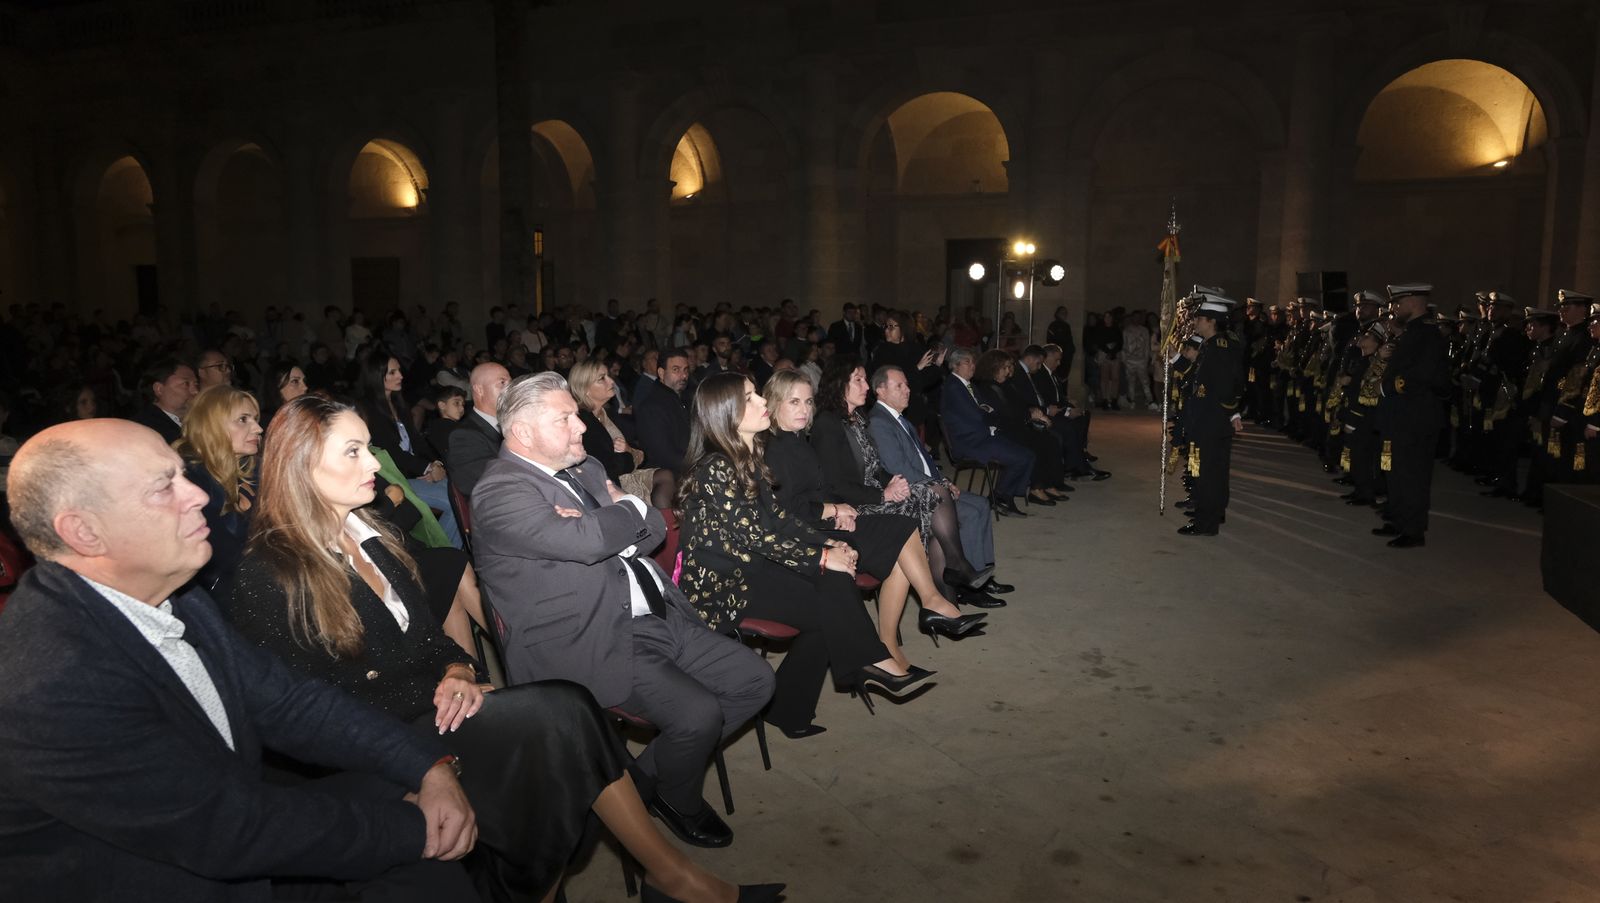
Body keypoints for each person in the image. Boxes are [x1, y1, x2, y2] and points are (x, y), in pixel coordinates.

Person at [227, 395, 778, 903]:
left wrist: (459, 667)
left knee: (568, 717)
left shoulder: (372, 536)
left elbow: (429, 640)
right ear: (300, 465)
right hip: (378, 744)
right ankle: (667, 877)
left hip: (438, 706)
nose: (374, 465)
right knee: (566, 736)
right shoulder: (270, 575)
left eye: (369, 447)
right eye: (353, 452)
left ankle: (665, 875)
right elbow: (302, 721)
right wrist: (429, 764)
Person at [0, 419, 479, 903]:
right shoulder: (50, 678)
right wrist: (413, 829)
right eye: (164, 486)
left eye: (184, 475)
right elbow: (225, 831)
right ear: (84, 531)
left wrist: (426, 766)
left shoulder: (175, 599)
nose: (197, 496)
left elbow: (292, 704)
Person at [469, 372, 774, 850]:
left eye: (577, 414)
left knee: (754, 680)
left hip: (652, 614)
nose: (581, 428)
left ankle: (643, 785)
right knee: (697, 714)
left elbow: (654, 529)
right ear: (522, 433)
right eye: (565, 418)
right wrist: (616, 514)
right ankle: (677, 795)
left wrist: (614, 512)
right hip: (586, 638)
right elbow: (592, 539)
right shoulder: (500, 491)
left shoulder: (584, 466)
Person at [679, 372, 933, 734]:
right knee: (830, 591)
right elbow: (756, 536)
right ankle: (869, 660)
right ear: (727, 413)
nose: (763, 402)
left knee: (833, 590)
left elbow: (779, 518)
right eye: (751, 398)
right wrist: (820, 557)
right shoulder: (718, 466)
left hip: (755, 569)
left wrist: (828, 545)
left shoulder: (748, 456)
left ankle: (791, 706)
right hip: (726, 586)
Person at [763, 370, 984, 671]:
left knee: (902, 537)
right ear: (774, 404)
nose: (804, 409)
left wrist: (840, 507)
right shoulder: (777, 447)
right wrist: (834, 510)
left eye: (808, 401)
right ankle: (929, 603)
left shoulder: (798, 438)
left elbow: (823, 486)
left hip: (830, 516)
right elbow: (788, 509)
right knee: (903, 529)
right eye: (794, 402)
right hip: (809, 533)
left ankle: (898, 632)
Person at [355, 349, 461, 548]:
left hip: (413, 471)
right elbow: (391, 453)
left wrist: (435, 463)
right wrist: (426, 468)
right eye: (393, 372)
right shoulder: (368, 410)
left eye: (399, 371)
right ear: (378, 377)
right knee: (454, 502)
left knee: (460, 492)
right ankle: (446, 554)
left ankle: (450, 553)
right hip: (394, 478)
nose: (401, 376)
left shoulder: (398, 403)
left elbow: (418, 441)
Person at [1372, 284, 1450, 548]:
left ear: (1414, 301)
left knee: (1412, 474)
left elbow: (1424, 375)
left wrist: (1387, 386)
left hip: (1416, 416)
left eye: (1398, 302)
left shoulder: (1427, 335)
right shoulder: (1411, 333)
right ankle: (1398, 518)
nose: (1393, 308)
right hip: (1401, 415)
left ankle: (1413, 529)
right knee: (1396, 471)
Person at [173, 385, 261, 595]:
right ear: (212, 425)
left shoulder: (256, 471)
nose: (258, 428)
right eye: (243, 420)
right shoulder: (190, 482)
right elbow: (221, 557)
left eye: (255, 419)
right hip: (223, 597)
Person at [1177, 293, 1245, 536]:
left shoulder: (1219, 349)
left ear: (1211, 321)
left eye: (1200, 319)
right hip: (1205, 418)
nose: (1195, 323)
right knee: (1210, 470)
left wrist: (1230, 414)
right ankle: (1212, 513)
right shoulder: (1210, 346)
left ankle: (1207, 523)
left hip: (1212, 421)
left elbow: (1228, 387)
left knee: (1209, 473)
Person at [939, 348, 1035, 517]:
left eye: (973, 361)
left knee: (1027, 453)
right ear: (955, 365)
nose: (973, 365)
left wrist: (986, 413)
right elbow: (977, 415)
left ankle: (1003, 495)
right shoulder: (953, 387)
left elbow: (990, 410)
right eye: (967, 362)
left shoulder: (969, 385)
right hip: (970, 442)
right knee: (1020, 457)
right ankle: (1000, 497)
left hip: (982, 435)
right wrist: (986, 413)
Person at [570, 358, 676, 508]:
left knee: (667, 475)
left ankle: (665, 525)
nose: (611, 382)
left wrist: (629, 450)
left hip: (622, 472)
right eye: (602, 379)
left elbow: (639, 452)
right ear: (585, 388)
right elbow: (607, 467)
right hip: (609, 483)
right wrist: (629, 454)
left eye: (608, 376)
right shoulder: (584, 423)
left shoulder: (605, 415)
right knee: (666, 477)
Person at [972, 350, 1067, 506]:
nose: (1009, 371)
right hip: (1002, 430)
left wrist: (1034, 412)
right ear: (993, 367)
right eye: (1005, 367)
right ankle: (1036, 488)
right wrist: (1030, 416)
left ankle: (1048, 483)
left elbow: (1021, 404)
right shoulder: (986, 387)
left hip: (1015, 425)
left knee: (1049, 439)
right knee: (1038, 441)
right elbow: (1003, 413)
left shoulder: (1006, 384)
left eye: (1010, 367)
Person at [446, 362, 510, 499]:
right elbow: (488, 483)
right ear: (479, 390)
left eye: (511, 383)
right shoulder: (464, 436)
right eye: (502, 383)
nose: (510, 389)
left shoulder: (515, 423)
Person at [634, 348, 693, 470]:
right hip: (673, 473)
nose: (684, 376)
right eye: (676, 370)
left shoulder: (686, 396)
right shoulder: (652, 407)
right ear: (661, 373)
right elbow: (665, 456)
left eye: (686, 370)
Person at [132, 357, 199, 444]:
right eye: (186, 384)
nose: (196, 391)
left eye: (196, 384)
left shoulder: (197, 420)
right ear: (159, 389)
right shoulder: (147, 429)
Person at [262, 362, 309, 427]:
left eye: (304, 381)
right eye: (295, 381)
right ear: (276, 387)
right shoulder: (268, 424)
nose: (305, 387)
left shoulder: (307, 415)